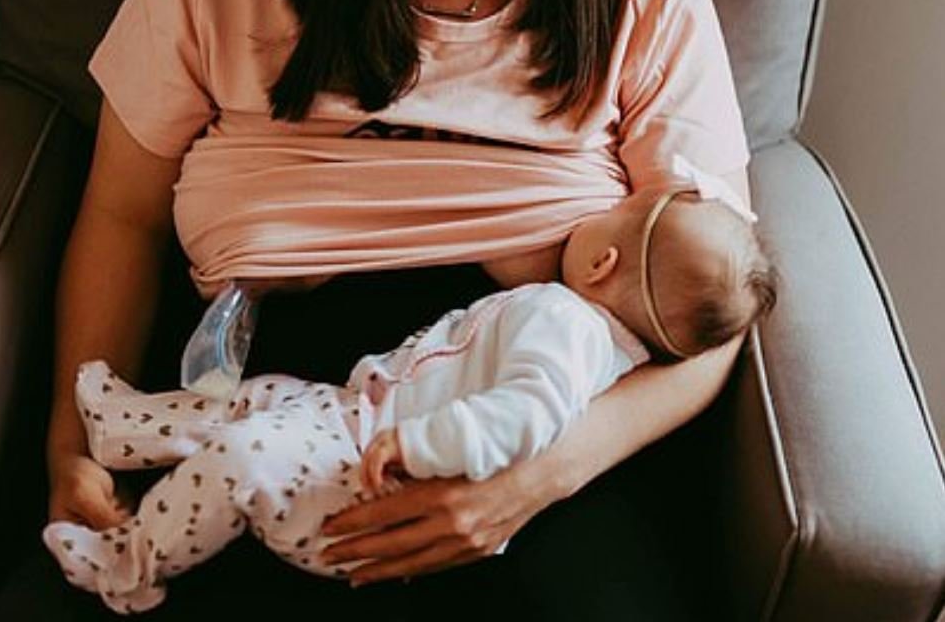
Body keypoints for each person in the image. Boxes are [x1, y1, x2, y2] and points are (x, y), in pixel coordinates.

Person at [26, 0, 762, 618]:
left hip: (535, 392)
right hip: (269, 375)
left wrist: (538, 477)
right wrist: (71, 444)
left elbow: (716, 313)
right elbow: (123, 214)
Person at [42, 174, 777, 614]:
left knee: (241, 453)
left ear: (603, 259)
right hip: (352, 416)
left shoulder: (567, 327)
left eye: (610, 211)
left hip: (362, 484)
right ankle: (122, 425)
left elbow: (525, 418)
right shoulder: (589, 337)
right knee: (255, 398)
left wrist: (419, 445)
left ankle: (132, 561)